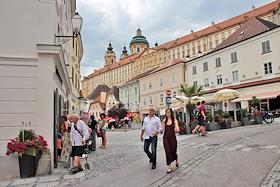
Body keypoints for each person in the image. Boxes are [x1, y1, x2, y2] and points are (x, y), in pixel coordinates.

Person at [162, 108, 180, 173]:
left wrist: (176, 129)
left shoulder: (174, 120)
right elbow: (162, 129)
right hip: (166, 138)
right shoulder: (164, 121)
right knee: (167, 151)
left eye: (168, 112)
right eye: (166, 112)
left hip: (172, 138)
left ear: (171, 113)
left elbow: (177, 129)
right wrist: (160, 128)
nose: (167, 113)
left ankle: (176, 158)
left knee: (173, 151)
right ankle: (169, 167)